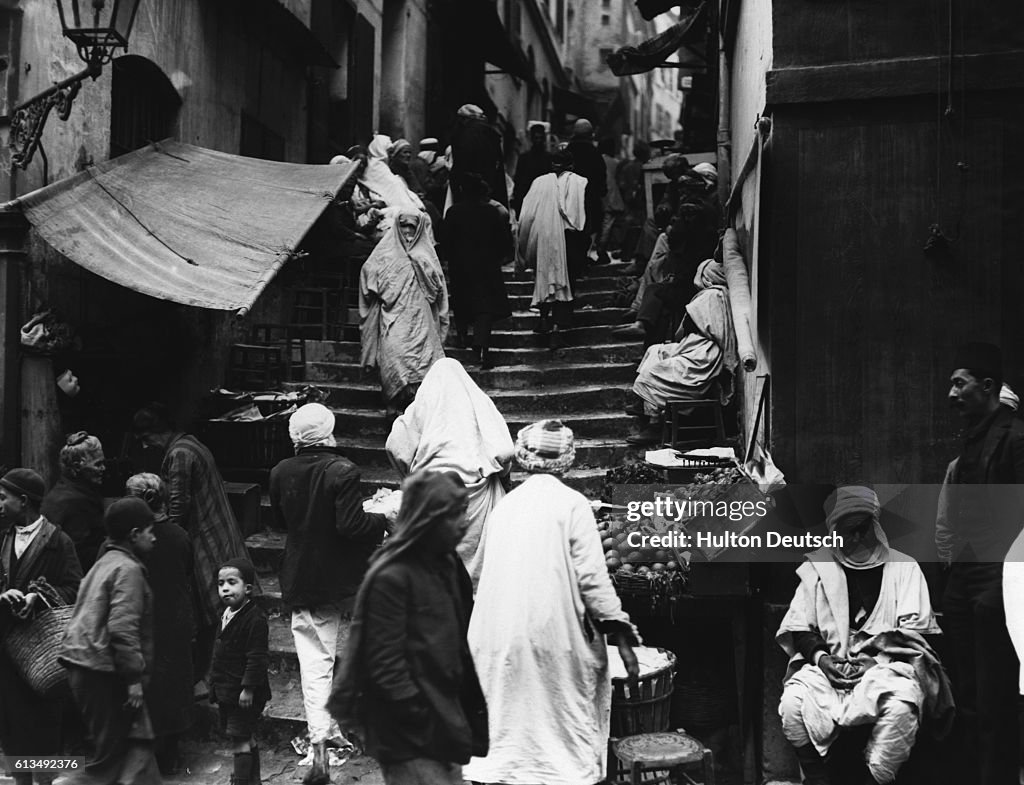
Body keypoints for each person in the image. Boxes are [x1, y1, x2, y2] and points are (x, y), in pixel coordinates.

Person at [463, 420, 639, 785]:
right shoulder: (573, 505)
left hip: (498, 637)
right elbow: (592, 579)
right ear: (567, 459)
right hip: (553, 638)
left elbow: (481, 572)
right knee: (560, 736)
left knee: (511, 736)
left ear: (525, 458)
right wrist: (620, 631)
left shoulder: (504, 508)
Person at [777, 486, 952, 785]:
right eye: (848, 531)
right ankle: (818, 779)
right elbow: (799, 627)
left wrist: (876, 661)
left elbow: (917, 636)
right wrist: (823, 660)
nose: (857, 538)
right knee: (793, 702)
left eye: (863, 529)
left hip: (886, 667)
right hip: (833, 668)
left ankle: (874, 778)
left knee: (903, 703)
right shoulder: (817, 568)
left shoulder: (904, 568)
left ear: (876, 525)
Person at [328, 471, 488, 785]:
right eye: (454, 516)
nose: (464, 523)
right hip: (411, 729)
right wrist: (419, 716)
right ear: (429, 519)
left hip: (441, 715)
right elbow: (384, 663)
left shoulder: (444, 564)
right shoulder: (392, 575)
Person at [270, 403, 389, 785]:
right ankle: (337, 733)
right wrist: (381, 516)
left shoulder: (280, 471)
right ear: (328, 431)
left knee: (314, 660)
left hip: (301, 576)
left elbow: (279, 521)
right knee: (347, 651)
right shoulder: (342, 470)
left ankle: (323, 737)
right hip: (342, 581)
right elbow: (352, 526)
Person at [937, 342, 1024, 785]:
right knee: (966, 695)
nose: (951, 394)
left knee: (995, 699)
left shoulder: (1014, 437)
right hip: (966, 579)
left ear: (986, 386)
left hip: (999, 578)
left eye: (959, 384)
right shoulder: (968, 442)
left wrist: (1003, 583)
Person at [133, 402, 252, 695]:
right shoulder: (190, 445)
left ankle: (210, 677)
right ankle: (211, 675)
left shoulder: (180, 454)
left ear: (155, 434)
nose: (148, 446)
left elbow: (178, 503)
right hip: (216, 533)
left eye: (147, 439)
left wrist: (165, 539)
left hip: (206, 539)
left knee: (212, 612)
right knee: (218, 609)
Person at [385, 358, 514, 589]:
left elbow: (396, 446)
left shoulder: (421, 406)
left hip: (431, 494)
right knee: (480, 564)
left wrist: (409, 478)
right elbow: (504, 451)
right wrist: (503, 476)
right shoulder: (479, 403)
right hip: (478, 498)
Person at [60, 497, 160, 785]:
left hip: (85, 665)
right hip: (103, 671)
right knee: (112, 760)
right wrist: (133, 679)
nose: (154, 537)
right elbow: (122, 628)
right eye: (149, 530)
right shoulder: (127, 570)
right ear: (134, 535)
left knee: (137, 747)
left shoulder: (105, 561)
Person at [0, 468, 82, 785]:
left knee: (43, 723)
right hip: (7, 647)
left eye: (3, 498)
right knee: (12, 723)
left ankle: (46, 781)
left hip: (42, 655)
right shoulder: (3, 536)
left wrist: (40, 595)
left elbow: (76, 589)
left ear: (23, 501)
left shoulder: (58, 542)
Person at [625, 259, 739, 445]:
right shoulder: (712, 295)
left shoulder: (712, 296)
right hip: (695, 345)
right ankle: (644, 403)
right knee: (655, 350)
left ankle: (655, 423)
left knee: (655, 371)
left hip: (704, 353)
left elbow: (701, 328)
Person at [126, 472, 195, 775]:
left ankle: (148, 755)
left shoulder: (134, 539)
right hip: (174, 617)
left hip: (146, 618)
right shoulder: (179, 535)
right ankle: (170, 754)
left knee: (150, 686)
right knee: (173, 685)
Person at [359, 209, 450, 409]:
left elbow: (439, 291)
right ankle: (394, 409)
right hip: (393, 317)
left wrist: (421, 265)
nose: (408, 231)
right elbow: (368, 276)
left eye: (412, 227)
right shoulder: (384, 252)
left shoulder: (426, 254)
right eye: (404, 226)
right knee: (394, 357)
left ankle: (416, 411)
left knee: (421, 364)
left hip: (421, 320)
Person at [518, 148, 588, 347]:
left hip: (542, 237)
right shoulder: (579, 182)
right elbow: (581, 217)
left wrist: (526, 241)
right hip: (569, 239)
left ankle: (543, 319)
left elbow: (526, 214)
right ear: (571, 165)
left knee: (543, 276)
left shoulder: (539, 183)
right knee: (565, 281)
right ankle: (557, 328)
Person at [210, 558, 270, 785]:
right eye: (220, 583)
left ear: (247, 589)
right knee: (245, 736)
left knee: (239, 740)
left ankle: (242, 781)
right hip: (228, 692)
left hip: (243, 695)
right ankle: (253, 781)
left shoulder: (255, 620)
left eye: (231, 582)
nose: (225, 588)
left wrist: (248, 688)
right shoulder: (226, 614)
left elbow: (257, 658)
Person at [442, 174, 512, 367]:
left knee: (462, 300)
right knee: (485, 306)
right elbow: (503, 241)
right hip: (486, 265)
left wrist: (450, 259)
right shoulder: (491, 212)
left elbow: (446, 240)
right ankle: (481, 344)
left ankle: (463, 335)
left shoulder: (453, 212)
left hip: (461, 265)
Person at [41, 431, 106, 571]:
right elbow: (79, 555)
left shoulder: (63, 491)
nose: (103, 469)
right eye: (98, 464)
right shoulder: (76, 502)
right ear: (77, 467)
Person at [450, 104, 508, 209]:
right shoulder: (492, 135)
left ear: (464, 119)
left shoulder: (462, 135)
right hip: (490, 194)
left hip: (467, 195)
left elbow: (459, 167)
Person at [566, 119, 607, 258]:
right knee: (586, 229)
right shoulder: (595, 153)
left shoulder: (567, 151)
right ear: (591, 134)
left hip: (568, 198)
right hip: (589, 199)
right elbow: (601, 178)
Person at [512, 124, 552, 215]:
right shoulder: (525, 158)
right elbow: (518, 181)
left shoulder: (548, 158)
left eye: (540, 138)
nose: (538, 140)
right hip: (529, 200)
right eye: (536, 138)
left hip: (542, 200)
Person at [597, 137, 625, 263]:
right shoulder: (615, 163)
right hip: (613, 198)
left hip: (600, 198)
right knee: (608, 226)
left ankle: (602, 250)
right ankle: (602, 250)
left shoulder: (597, 160)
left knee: (603, 226)